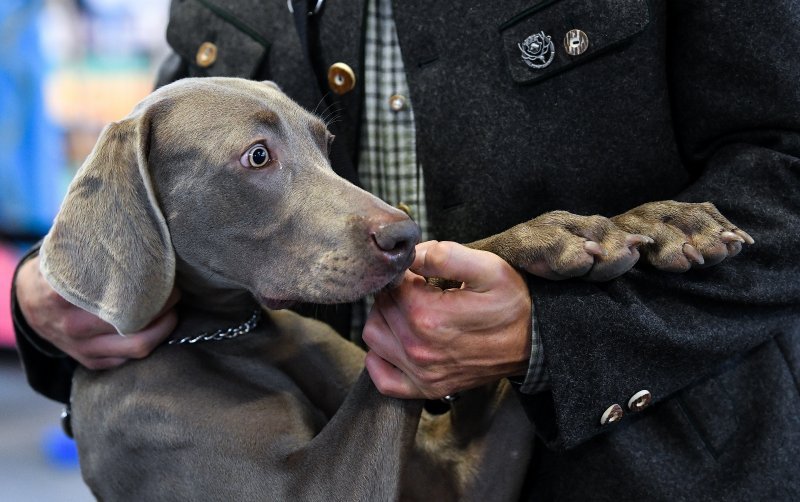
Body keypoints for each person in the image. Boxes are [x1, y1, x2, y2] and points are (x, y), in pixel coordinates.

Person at [12, 0, 800, 499]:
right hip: (370, 441)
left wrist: (556, 327)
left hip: (662, 466)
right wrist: (52, 291)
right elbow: (165, 159)